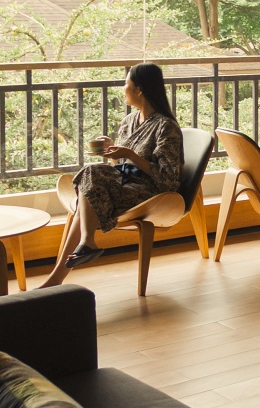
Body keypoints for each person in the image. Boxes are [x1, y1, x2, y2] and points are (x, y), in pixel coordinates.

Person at [55, 63, 184, 272]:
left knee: (86, 194)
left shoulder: (166, 127)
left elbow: (168, 179)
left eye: (126, 84)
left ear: (138, 90)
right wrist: (113, 153)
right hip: (124, 183)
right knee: (90, 177)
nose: (123, 89)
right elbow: (122, 167)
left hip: (150, 193)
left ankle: (71, 260)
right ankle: (83, 246)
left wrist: (130, 154)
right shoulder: (129, 121)